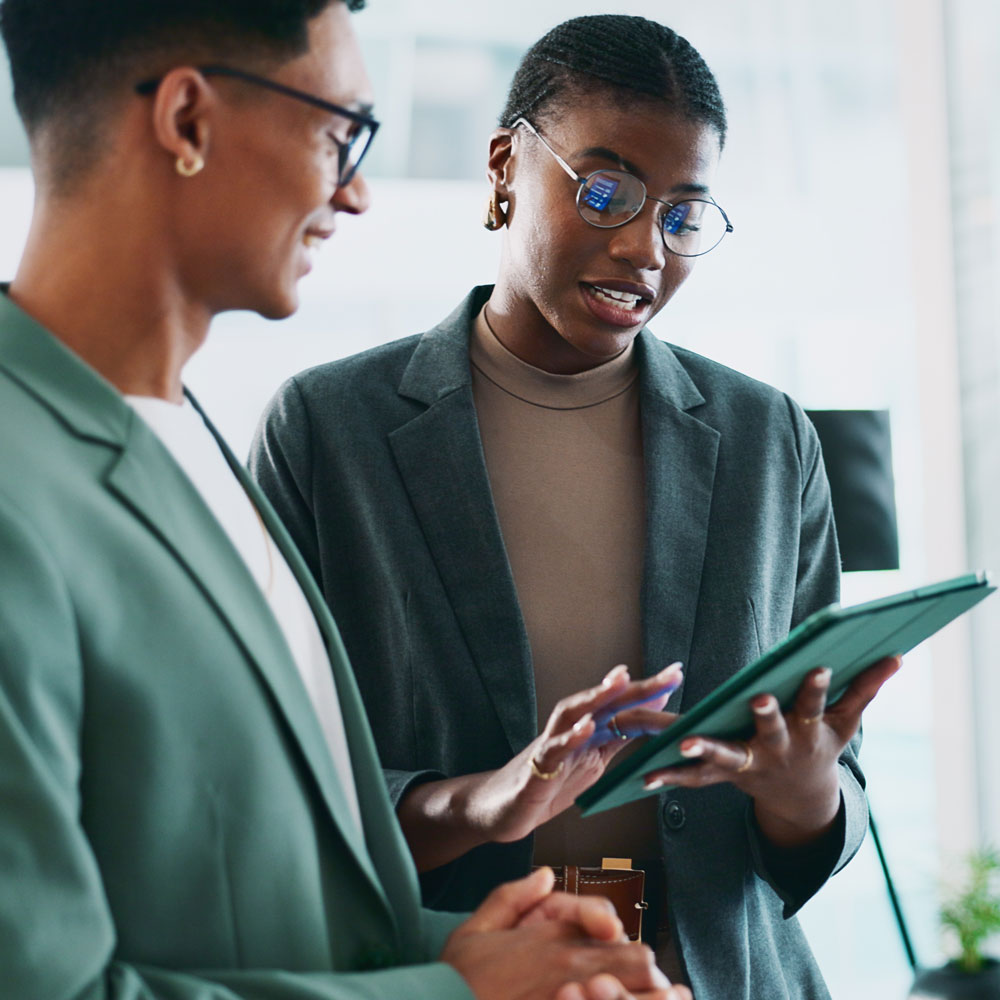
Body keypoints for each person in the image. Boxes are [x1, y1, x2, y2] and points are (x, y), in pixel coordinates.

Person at [0, 2, 690, 998]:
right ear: (188, 120)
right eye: (339, 133)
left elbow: (272, 905)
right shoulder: (25, 484)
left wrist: (488, 952)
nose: (357, 192)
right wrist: (453, 992)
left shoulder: (191, 442)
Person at [250, 14, 901, 1000]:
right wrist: (482, 803)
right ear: (507, 165)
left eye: (683, 214)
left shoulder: (767, 437)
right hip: (463, 973)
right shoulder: (327, 429)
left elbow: (829, 799)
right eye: (605, 192)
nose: (645, 248)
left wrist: (804, 792)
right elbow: (272, 786)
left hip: (711, 978)